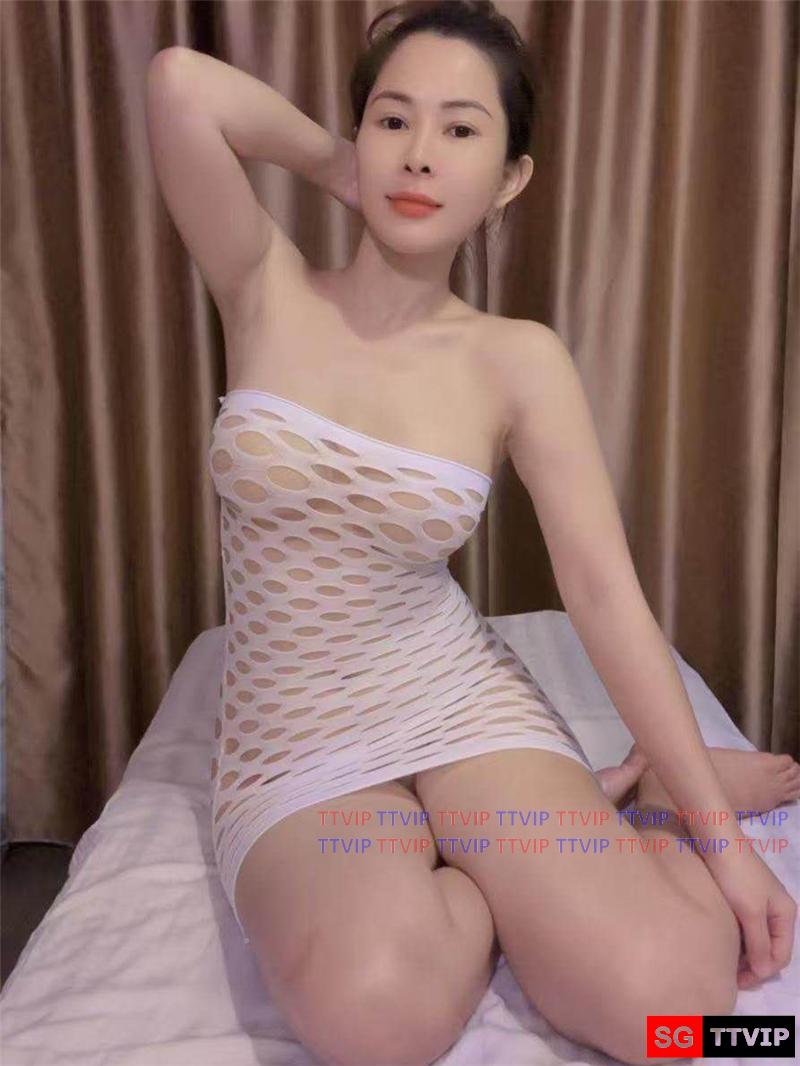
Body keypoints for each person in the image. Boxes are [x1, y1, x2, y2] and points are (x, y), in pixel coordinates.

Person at [145, 3, 799, 1064]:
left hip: (456, 703)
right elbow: (179, 82)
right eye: (393, 119)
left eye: (460, 130)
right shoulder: (264, 283)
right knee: (374, 1024)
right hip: (291, 741)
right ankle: (530, 845)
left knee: (679, 1017)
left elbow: (602, 594)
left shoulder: (516, 358)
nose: (418, 153)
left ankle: (649, 794)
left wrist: (723, 848)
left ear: (508, 179)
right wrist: (336, 163)